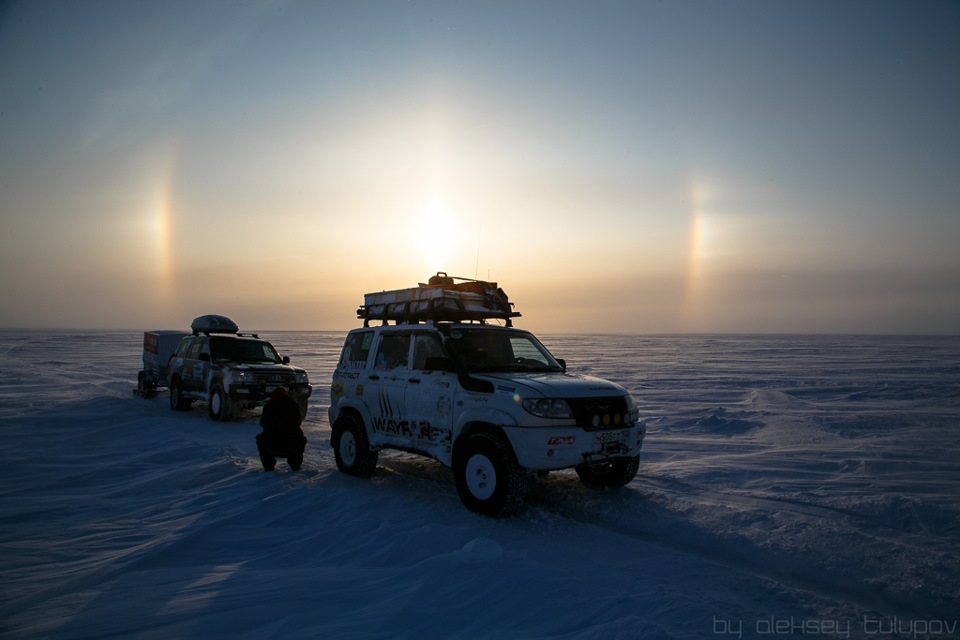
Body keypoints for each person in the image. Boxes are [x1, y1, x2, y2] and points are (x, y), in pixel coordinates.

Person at [256, 387, 307, 471]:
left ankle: (268, 466)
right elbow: (298, 422)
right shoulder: (293, 406)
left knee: (260, 439)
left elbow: (263, 423)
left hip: (272, 446)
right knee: (300, 439)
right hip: (293, 446)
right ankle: (295, 464)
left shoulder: (269, 407)